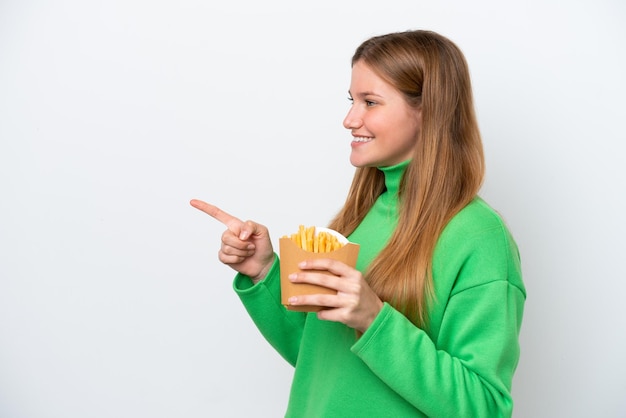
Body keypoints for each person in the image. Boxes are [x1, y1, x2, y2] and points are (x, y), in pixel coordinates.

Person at [191, 29, 526, 417]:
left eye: (370, 102)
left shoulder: (479, 237)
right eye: (353, 100)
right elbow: (320, 357)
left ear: (429, 110)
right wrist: (263, 271)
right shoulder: (362, 216)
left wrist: (374, 319)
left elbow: (483, 406)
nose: (350, 119)